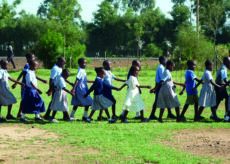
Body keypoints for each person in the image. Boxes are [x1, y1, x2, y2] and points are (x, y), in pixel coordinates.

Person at [149, 56, 177, 120]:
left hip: (160, 85)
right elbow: (162, 79)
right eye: (165, 60)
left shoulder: (161, 67)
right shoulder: (161, 68)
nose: (166, 62)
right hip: (160, 86)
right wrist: (155, 88)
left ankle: (169, 113)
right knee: (157, 101)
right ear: (162, 61)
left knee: (166, 99)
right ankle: (152, 115)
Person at [12, 53, 35, 118]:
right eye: (32, 57)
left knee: (28, 98)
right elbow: (22, 73)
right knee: (24, 99)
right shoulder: (27, 65)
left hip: (29, 85)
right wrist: (16, 83)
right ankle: (20, 113)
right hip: (25, 85)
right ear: (28, 58)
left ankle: (33, 113)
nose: (34, 59)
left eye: (34, 57)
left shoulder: (31, 65)